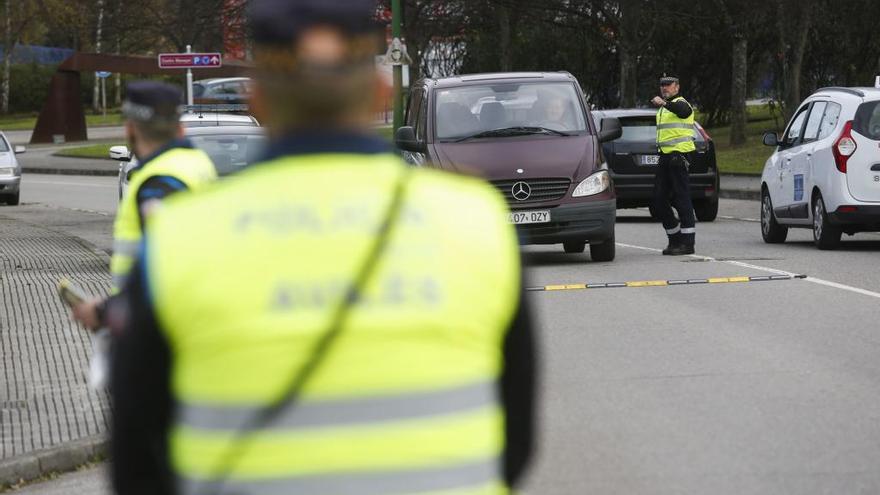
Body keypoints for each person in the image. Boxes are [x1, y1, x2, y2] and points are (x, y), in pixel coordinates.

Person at [109, 1, 537, 495]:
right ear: (380, 89)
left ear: (256, 101)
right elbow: (515, 441)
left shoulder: (178, 241)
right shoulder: (476, 222)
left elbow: (137, 464)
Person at [69, 82, 217, 332]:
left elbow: (163, 270)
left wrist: (103, 312)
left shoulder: (159, 183)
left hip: (158, 329)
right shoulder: (196, 164)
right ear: (180, 129)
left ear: (130, 129)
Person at [651, 75, 697, 255]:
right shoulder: (664, 109)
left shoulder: (681, 103)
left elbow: (683, 112)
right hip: (665, 157)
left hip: (680, 156)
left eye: (668, 85)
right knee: (658, 200)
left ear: (677, 87)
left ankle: (688, 243)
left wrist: (663, 103)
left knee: (682, 198)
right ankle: (675, 239)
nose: (665, 88)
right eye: (662, 85)